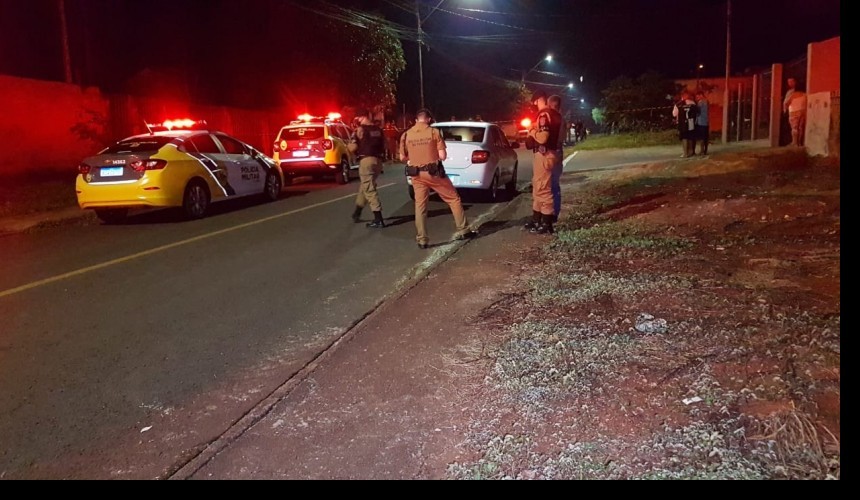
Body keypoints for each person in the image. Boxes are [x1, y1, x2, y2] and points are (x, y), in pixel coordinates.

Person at [400, 108, 476, 249]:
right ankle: (464, 230)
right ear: (428, 119)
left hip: (416, 174)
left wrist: (416, 157)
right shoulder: (433, 132)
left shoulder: (406, 134)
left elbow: (402, 157)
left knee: (420, 206)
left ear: (416, 120)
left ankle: (422, 240)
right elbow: (442, 156)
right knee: (453, 199)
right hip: (433, 173)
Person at [524, 90, 563, 234]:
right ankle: (537, 220)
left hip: (545, 155)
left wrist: (531, 131)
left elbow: (543, 138)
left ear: (540, 100)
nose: (534, 106)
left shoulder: (544, 115)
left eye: (535, 103)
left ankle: (546, 223)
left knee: (543, 189)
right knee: (538, 187)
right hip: (549, 154)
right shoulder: (555, 114)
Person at [348, 109, 387, 229]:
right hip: (378, 161)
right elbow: (385, 145)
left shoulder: (360, 130)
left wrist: (347, 147)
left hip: (366, 161)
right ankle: (357, 212)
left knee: (369, 189)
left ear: (361, 117)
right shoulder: (378, 130)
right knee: (365, 186)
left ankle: (378, 218)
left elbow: (353, 148)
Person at [547, 95, 566, 222]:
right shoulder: (561, 119)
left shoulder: (555, 119)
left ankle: (553, 213)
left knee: (552, 184)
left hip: (554, 153)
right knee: (554, 184)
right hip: (559, 153)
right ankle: (555, 212)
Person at [673, 91, 698, 158]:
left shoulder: (678, 104)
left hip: (682, 123)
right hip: (691, 122)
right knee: (690, 136)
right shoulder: (692, 103)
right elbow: (697, 112)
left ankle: (685, 153)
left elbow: (674, 114)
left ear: (682, 96)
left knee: (684, 137)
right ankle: (691, 151)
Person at [783, 77, 807, 147]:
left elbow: (787, 102)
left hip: (793, 112)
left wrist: (785, 108)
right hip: (802, 111)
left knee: (794, 128)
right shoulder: (804, 94)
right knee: (800, 127)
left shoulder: (793, 94)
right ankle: (799, 143)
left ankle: (794, 143)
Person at [694, 91, 710, 155]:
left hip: (701, 122)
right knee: (705, 137)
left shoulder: (701, 102)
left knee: (702, 137)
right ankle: (705, 150)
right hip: (706, 121)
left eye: (697, 96)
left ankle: (702, 151)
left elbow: (698, 111)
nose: (697, 98)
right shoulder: (707, 101)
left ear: (701, 95)